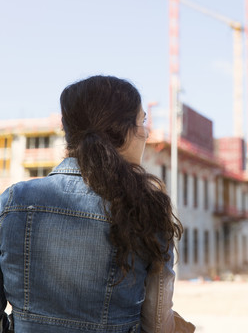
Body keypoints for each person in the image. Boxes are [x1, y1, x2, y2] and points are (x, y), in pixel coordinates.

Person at [0, 75, 195, 333]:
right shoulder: (147, 210)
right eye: (142, 121)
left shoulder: (13, 202)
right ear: (123, 132)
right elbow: (157, 325)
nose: (146, 132)